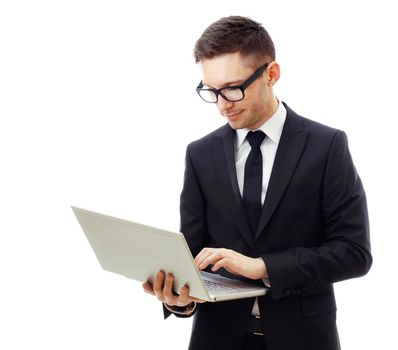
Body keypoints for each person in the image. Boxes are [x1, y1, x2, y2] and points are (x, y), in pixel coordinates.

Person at [142, 16, 372, 350]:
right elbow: (193, 257)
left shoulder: (326, 146)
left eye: (233, 89)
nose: (222, 105)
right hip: (217, 338)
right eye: (212, 91)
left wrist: (263, 267)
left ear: (271, 74)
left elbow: (354, 253)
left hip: (303, 339)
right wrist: (180, 299)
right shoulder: (199, 154)